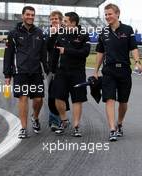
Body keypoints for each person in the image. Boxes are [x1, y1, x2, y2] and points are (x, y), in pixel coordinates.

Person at [94, 3, 142, 142]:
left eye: (110, 14)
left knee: (123, 102)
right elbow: (100, 52)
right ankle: (112, 129)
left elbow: (133, 48)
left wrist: (137, 62)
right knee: (109, 99)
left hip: (124, 71)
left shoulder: (128, 30)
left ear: (117, 14)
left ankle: (119, 123)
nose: (107, 16)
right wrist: (96, 71)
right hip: (108, 70)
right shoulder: (103, 32)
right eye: (106, 14)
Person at [3, 6, 49, 139]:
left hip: (36, 72)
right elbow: (8, 55)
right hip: (20, 72)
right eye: (28, 15)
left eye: (32, 15)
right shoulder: (13, 34)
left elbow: (43, 54)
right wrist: (7, 75)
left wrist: (47, 71)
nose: (30, 17)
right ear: (22, 16)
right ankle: (23, 128)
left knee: (38, 99)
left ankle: (35, 117)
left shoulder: (40, 33)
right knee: (23, 98)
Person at [53, 12, 91, 137]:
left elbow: (85, 52)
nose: (62, 23)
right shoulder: (60, 34)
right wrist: (52, 70)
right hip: (61, 72)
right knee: (58, 97)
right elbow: (55, 53)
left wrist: (67, 51)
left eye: (65, 21)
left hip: (78, 73)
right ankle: (64, 121)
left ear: (73, 23)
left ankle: (76, 126)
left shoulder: (84, 35)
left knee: (77, 99)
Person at [46, 11, 70, 132]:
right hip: (51, 69)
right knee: (52, 95)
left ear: (61, 20)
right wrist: (52, 35)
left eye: (56, 19)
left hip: (64, 69)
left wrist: (57, 34)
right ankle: (54, 121)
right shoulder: (48, 32)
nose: (54, 21)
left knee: (62, 95)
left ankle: (62, 119)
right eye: (52, 19)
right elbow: (47, 47)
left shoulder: (66, 32)